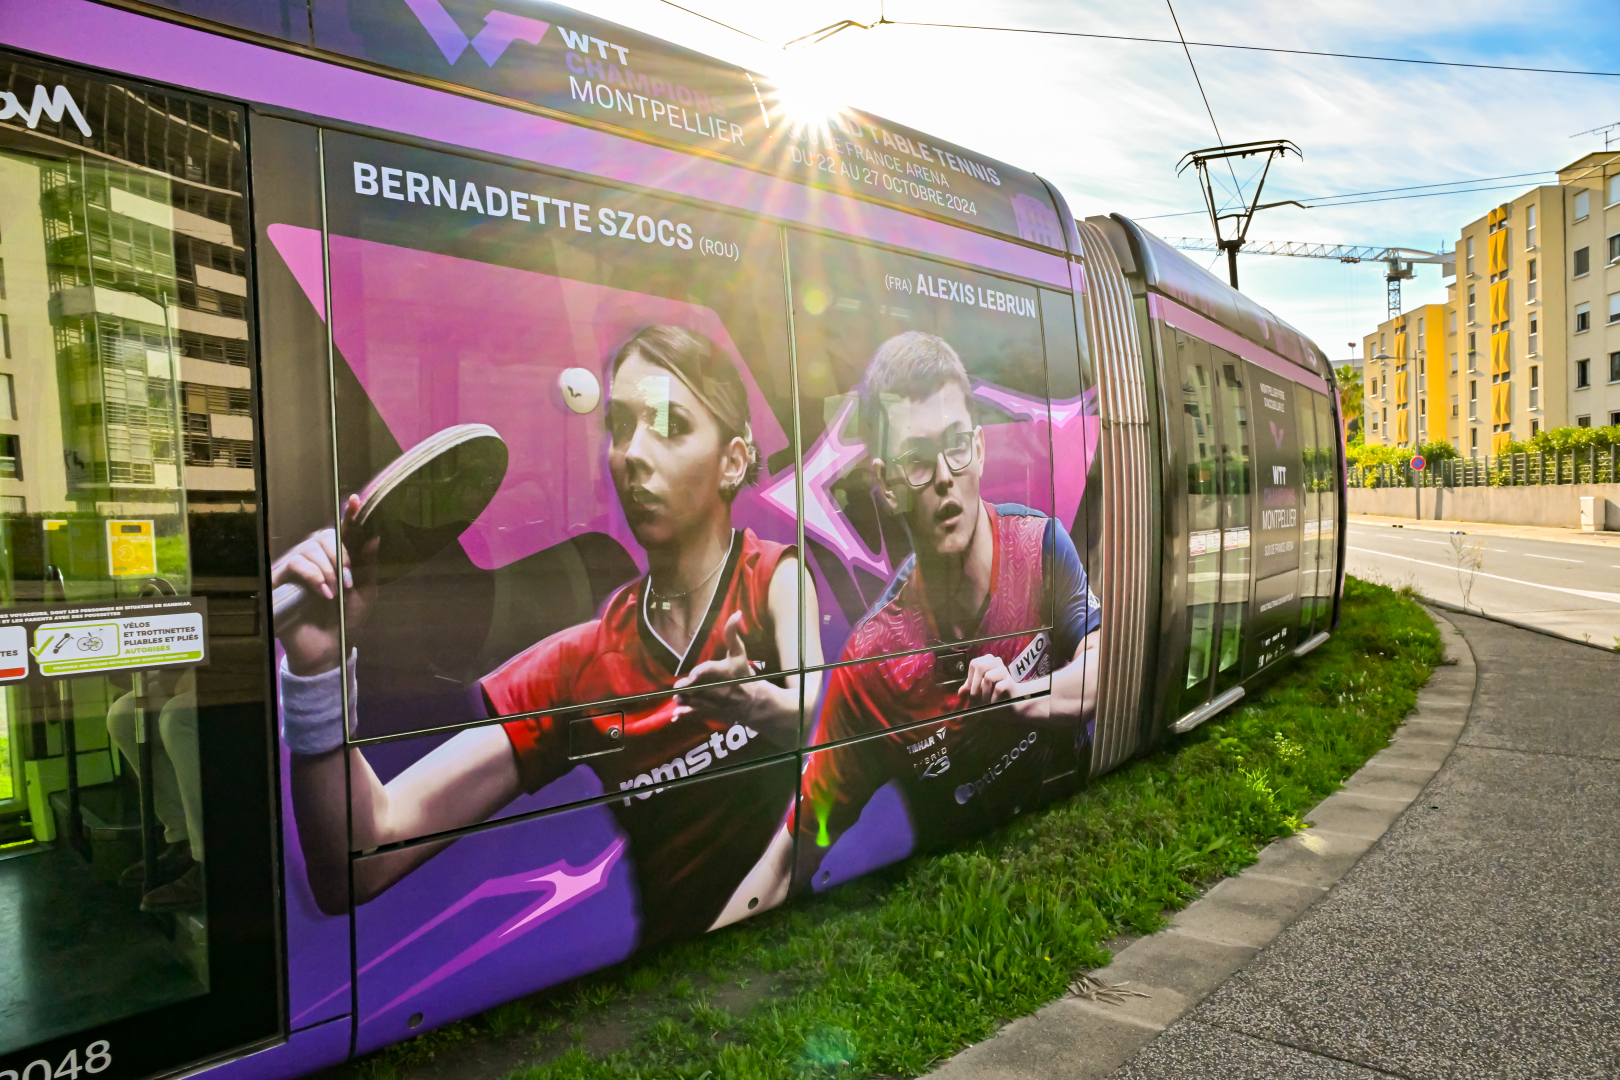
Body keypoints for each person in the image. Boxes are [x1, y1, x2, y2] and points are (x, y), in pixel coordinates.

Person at [275, 326, 820, 949]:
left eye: (669, 425)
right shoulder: (577, 668)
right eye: (619, 426)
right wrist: (318, 670)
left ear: (733, 462)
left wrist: (755, 703)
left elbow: (824, 717)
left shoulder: (777, 577)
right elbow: (360, 858)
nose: (632, 453)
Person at [799, 331, 1100, 886]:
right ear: (887, 487)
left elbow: (1104, 661)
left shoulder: (1040, 547)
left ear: (979, 450)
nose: (943, 475)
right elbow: (800, 834)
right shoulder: (873, 661)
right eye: (916, 459)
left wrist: (1026, 697)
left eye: (956, 443)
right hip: (962, 884)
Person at [105, 668, 203, 912]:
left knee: (177, 717)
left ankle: (210, 857)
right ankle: (185, 839)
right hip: (191, 668)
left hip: (240, 672)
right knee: (123, 716)